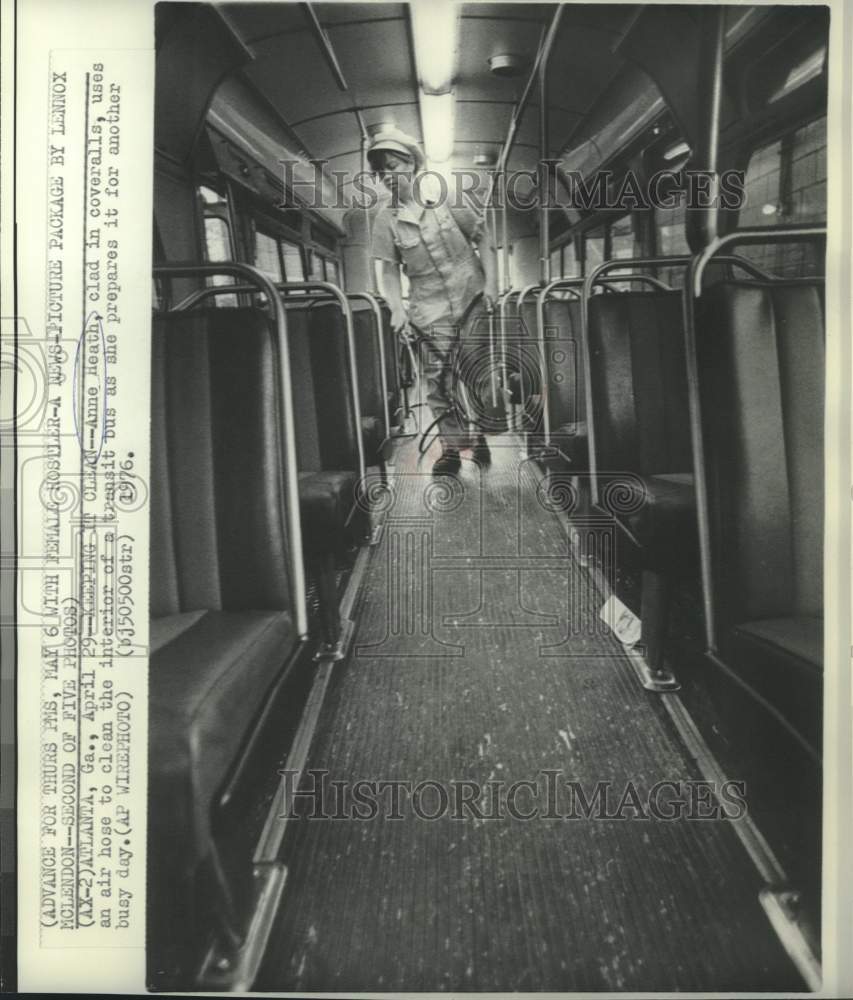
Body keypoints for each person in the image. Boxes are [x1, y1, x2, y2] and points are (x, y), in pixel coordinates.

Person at [368, 128, 500, 476]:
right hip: (428, 307)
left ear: (411, 164)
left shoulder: (444, 195)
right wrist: (396, 306)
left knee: (477, 377)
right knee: (438, 383)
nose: (387, 176)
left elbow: (482, 236)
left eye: (393, 166)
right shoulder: (385, 219)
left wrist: (493, 286)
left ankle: (480, 434)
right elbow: (390, 270)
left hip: (470, 295)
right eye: (381, 171)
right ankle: (452, 450)